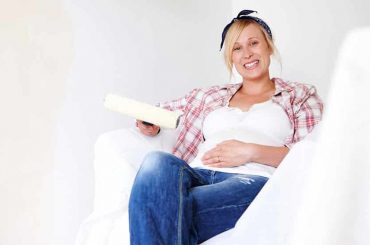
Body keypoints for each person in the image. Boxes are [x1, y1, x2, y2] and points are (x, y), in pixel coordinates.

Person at [129, 9, 324, 245]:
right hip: (196, 173)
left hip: (251, 179)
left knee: (162, 206)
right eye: (237, 48)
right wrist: (152, 123)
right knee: (155, 163)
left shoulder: (300, 95)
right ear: (230, 57)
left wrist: (250, 151)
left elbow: (311, 155)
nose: (247, 54)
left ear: (269, 47)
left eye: (254, 43)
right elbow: (160, 112)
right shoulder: (209, 96)